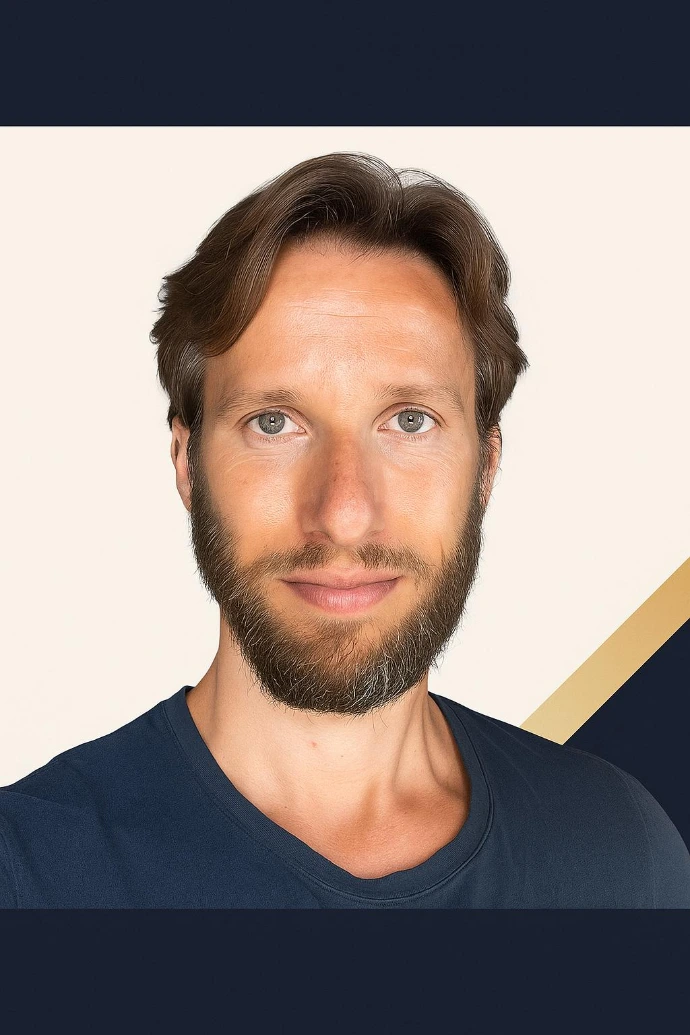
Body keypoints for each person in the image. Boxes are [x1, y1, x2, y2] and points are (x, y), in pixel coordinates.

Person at [1, 153, 689, 909]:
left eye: (409, 421)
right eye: (274, 423)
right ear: (187, 463)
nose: (344, 511)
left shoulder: (622, 859)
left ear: (486, 466)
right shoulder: (29, 875)